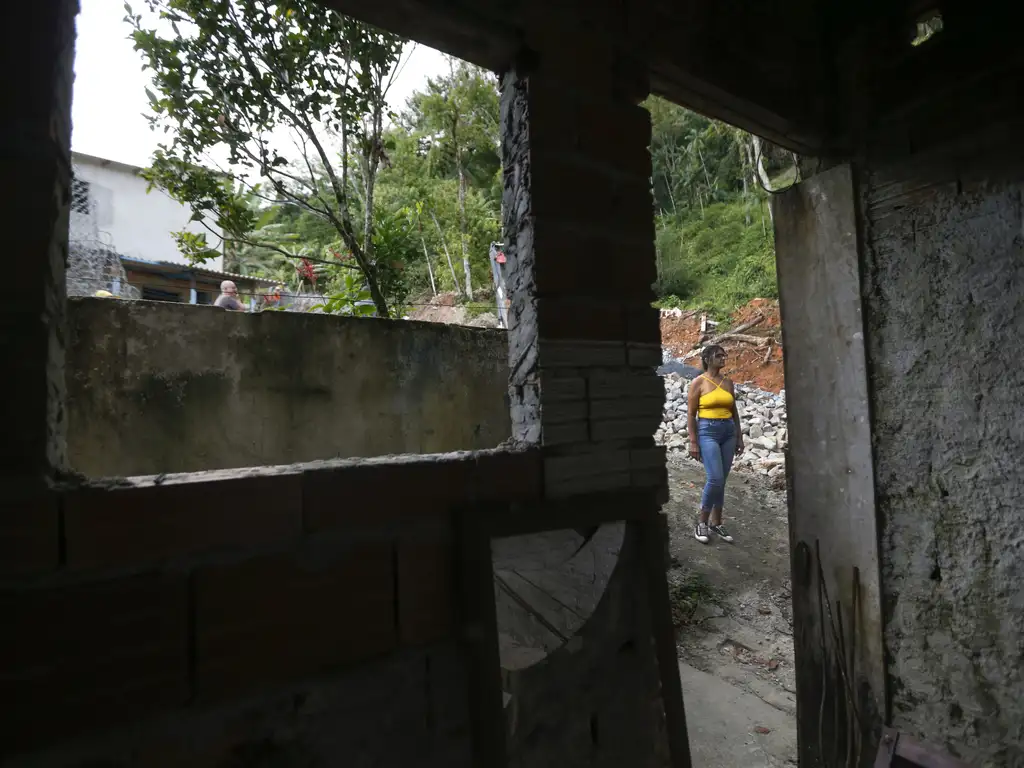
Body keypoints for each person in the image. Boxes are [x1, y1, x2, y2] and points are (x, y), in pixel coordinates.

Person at [687, 344, 744, 544]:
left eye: (724, 355)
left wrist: (739, 436)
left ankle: (716, 523)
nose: (723, 358)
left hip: (728, 431)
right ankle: (702, 522)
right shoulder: (698, 383)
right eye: (719, 355)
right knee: (715, 478)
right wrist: (693, 441)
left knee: (722, 480)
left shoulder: (728, 382)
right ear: (707, 359)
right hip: (707, 431)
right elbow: (691, 414)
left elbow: (734, 411)